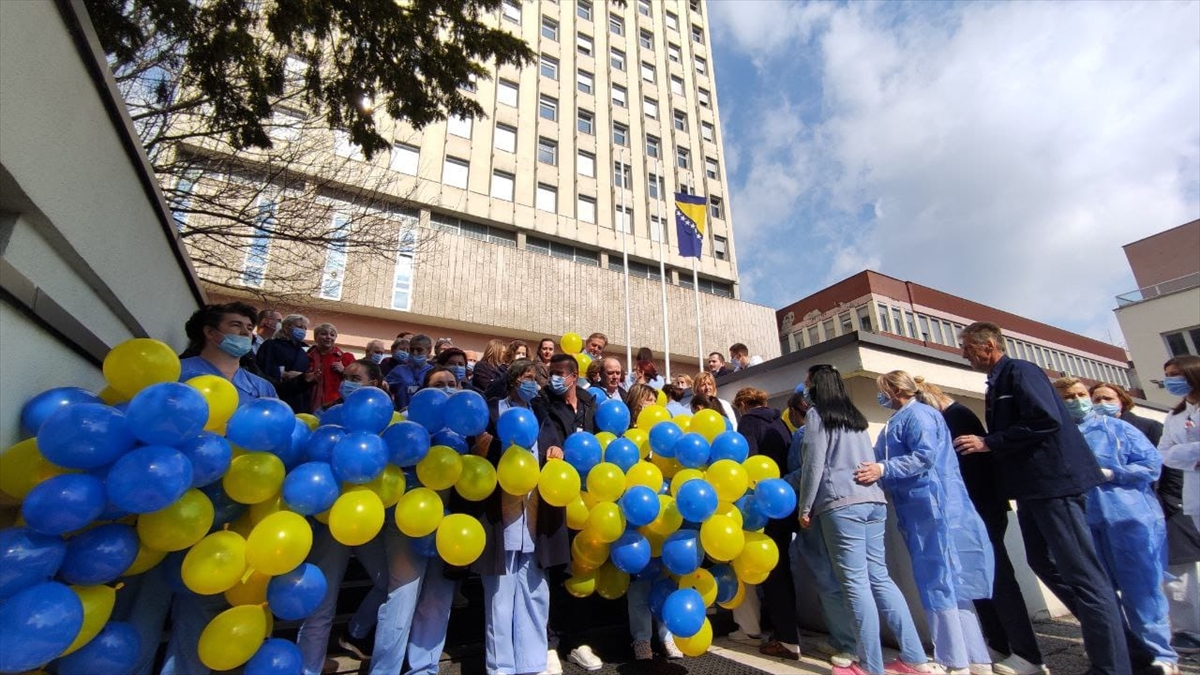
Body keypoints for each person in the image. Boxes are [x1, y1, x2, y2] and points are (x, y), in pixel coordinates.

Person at [952, 322, 1131, 675]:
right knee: (1042, 561)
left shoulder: (1021, 371)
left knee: (1085, 576)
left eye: (966, 348)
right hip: (1032, 490)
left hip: (1054, 485)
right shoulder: (998, 381)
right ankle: (1125, 646)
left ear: (988, 345)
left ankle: (1113, 665)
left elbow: (1044, 420)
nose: (964, 355)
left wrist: (991, 442)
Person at [797, 364, 929, 675]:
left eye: (807, 382)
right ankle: (914, 657)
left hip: (841, 506)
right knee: (880, 579)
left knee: (855, 585)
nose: (805, 388)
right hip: (873, 501)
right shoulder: (854, 417)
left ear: (816, 385)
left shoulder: (818, 416)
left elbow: (814, 464)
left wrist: (805, 507)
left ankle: (870, 665)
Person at [860, 371, 994, 674]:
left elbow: (924, 456)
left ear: (894, 390)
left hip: (932, 507)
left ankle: (954, 660)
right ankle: (976, 659)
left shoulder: (918, 416)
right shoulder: (902, 419)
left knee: (939, 582)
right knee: (950, 585)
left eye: (883, 391)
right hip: (922, 508)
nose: (880, 398)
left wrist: (882, 469)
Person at [914, 379, 1045, 673]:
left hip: (981, 509)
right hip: (970, 510)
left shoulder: (957, 418)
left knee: (998, 578)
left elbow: (965, 470)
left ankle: (1028, 653)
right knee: (978, 578)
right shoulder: (953, 417)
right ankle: (998, 642)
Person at [1053, 377, 1178, 675]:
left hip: (1130, 518)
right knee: (1102, 593)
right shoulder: (1060, 436)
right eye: (1069, 396)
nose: (1079, 400)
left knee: (1142, 591)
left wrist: (1114, 472)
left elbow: (1150, 465)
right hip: (1084, 520)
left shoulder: (1117, 428)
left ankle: (1160, 655)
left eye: (1082, 394)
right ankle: (1124, 652)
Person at [472, 359, 567, 675]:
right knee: (500, 597)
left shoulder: (542, 414)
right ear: (513, 380)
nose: (533, 384)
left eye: (536, 379)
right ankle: (501, 667)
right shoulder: (492, 410)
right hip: (501, 515)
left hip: (536, 515)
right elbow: (478, 449)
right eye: (527, 377)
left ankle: (532, 662)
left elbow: (554, 445)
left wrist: (556, 452)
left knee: (535, 592)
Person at [1092, 381, 1200, 656]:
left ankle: (1190, 631)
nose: (1099, 402)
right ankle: (1160, 633)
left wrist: (1168, 504)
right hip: (1124, 515)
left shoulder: (1148, 427)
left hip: (1163, 511)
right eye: (1096, 398)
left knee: (1177, 577)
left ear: (1122, 400)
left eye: (1106, 397)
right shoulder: (1092, 432)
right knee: (1143, 579)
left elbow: (1169, 467)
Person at [297, 359, 389, 673]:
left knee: (388, 581)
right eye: (346, 378)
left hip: (368, 516)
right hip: (329, 518)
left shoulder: (389, 421)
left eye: (356, 378)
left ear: (375, 385)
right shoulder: (327, 415)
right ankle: (308, 665)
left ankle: (356, 632)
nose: (348, 383)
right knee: (323, 600)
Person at [782, 386, 858, 667]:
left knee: (827, 580)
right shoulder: (849, 425)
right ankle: (851, 639)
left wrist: (777, 483)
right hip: (848, 506)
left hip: (814, 514)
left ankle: (846, 643)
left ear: (795, 410)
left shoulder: (804, 432)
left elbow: (804, 474)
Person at [539, 354, 604, 672]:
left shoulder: (593, 404)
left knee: (583, 569)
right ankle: (550, 644)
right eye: (550, 373)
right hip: (558, 498)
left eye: (558, 373)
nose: (552, 378)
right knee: (556, 571)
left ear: (574, 376)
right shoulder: (542, 403)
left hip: (590, 500)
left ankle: (579, 642)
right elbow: (544, 435)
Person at [734, 387, 802, 661]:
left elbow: (745, 459)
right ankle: (785, 633)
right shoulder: (781, 423)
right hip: (784, 504)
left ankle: (786, 639)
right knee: (783, 571)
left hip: (762, 507)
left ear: (742, 405)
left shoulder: (748, 422)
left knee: (771, 574)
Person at [622, 384, 684, 660]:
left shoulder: (668, 436)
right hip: (637, 520)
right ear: (635, 405)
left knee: (666, 580)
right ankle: (642, 641)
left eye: (653, 400)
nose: (650, 404)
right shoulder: (627, 438)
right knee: (639, 585)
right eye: (645, 400)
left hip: (667, 517)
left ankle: (667, 636)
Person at [1159, 356, 1200, 654]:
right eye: (1168, 375)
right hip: (1195, 497)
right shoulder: (1174, 417)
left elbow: (1176, 453)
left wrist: (1184, 453)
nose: (1172, 380)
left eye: (1176, 374)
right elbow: (1164, 454)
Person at [255, 313, 316, 414]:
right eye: (299, 327)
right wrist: (282, 374)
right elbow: (263, 369)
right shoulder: (271, 345)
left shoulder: (303, 351)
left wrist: (301, 377)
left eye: (305, 328)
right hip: (276, 396)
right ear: (286, 327)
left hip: (299, 401)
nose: (303, 330)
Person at [307, 323, 357, 412]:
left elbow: (358, 380)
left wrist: (344, 371)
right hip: (308, 406)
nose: (328, 337)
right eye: (323, 334)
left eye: (332, 335)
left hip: (335, 408)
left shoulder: (346, 358)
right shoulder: (306, 357)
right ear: (316, 337)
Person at [384, 333, 433, 411]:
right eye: (412, 349)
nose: (415, 353)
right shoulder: (399, 370)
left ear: (429, 351)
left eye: (419, 350)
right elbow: (384, 387)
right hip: (402, 415)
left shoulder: (433, 373)